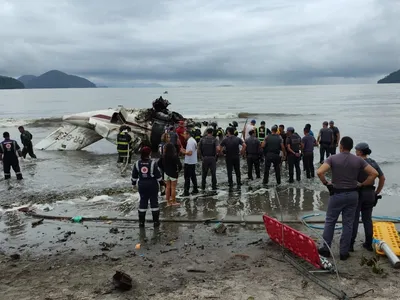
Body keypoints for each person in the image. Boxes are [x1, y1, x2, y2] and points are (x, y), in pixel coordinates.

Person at [316, 137, 379, 261]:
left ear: (340, 146)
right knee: (348, 223)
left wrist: (327, 183)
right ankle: (344, 252)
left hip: (337, 193)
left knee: (330, 221)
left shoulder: (333, 158)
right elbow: (374, 174)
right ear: (351, 147)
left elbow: (319, 172)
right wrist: (362, 184)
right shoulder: (358, 160)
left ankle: (326, 249)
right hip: (353, 195)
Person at [350, 143, 385, 252]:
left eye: (356, 150)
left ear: (360, 152)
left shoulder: (356, 162)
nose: (355, 152)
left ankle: (350, 244)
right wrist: (377, 192)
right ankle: (368, 243)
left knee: (354, 219)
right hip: (370, 193)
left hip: (358, 193)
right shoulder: (373, 163)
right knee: (367, 219)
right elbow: (382, 178)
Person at [132, 146, 164, 227]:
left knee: (143, 202)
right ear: (149, 154)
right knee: (154, 202)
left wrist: (133, 184)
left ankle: (141, 222)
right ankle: (156, 222)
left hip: (142, 185)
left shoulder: (137, 163)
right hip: (152, 185)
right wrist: (162, 184)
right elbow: (158, 176)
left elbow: (134, 176)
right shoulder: (153, 163)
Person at [180, 130, 199, 196]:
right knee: (193, 176)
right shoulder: (193, 140)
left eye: (185, 134)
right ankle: (195, 189)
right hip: (193, 161)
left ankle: (186, 192)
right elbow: (192, 151)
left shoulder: (190, 142)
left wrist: (183, 152)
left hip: (189, 162)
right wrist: (185, 150)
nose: (184, 136)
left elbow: (190, 153)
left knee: (187, 177)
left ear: (188, 134)